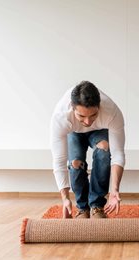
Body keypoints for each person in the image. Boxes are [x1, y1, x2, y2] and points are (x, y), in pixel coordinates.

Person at [50, 81, 125, 219]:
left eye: (93, 115)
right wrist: (65, 198)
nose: (88, 122)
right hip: (74, 131)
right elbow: (59, 160)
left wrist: (114, 190)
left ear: (99, 106)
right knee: (75, 162)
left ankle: (96, 206)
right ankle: (82, 208)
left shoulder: (112, 112)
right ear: (72, 108)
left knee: (104, 149)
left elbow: (118, 153)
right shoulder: (61, 117)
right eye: (81, 116)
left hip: (99, 130)